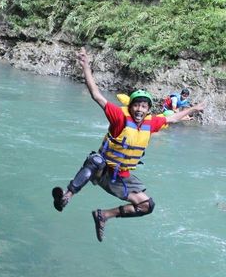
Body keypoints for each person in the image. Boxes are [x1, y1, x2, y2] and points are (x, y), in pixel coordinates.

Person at [52, 48, 206, 242]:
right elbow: (96, 95)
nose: (139, 109)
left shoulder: (151, 123)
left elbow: (173, 118)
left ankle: (104, 216)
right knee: (96, 159)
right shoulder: (119, 118)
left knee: (147, 206)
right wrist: (86, 67)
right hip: (102, 170)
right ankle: (66, 196)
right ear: (131, 106)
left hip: (122, 176)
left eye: (143, 106)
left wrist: (194, 108)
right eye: (136, 105)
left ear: (148, 109)